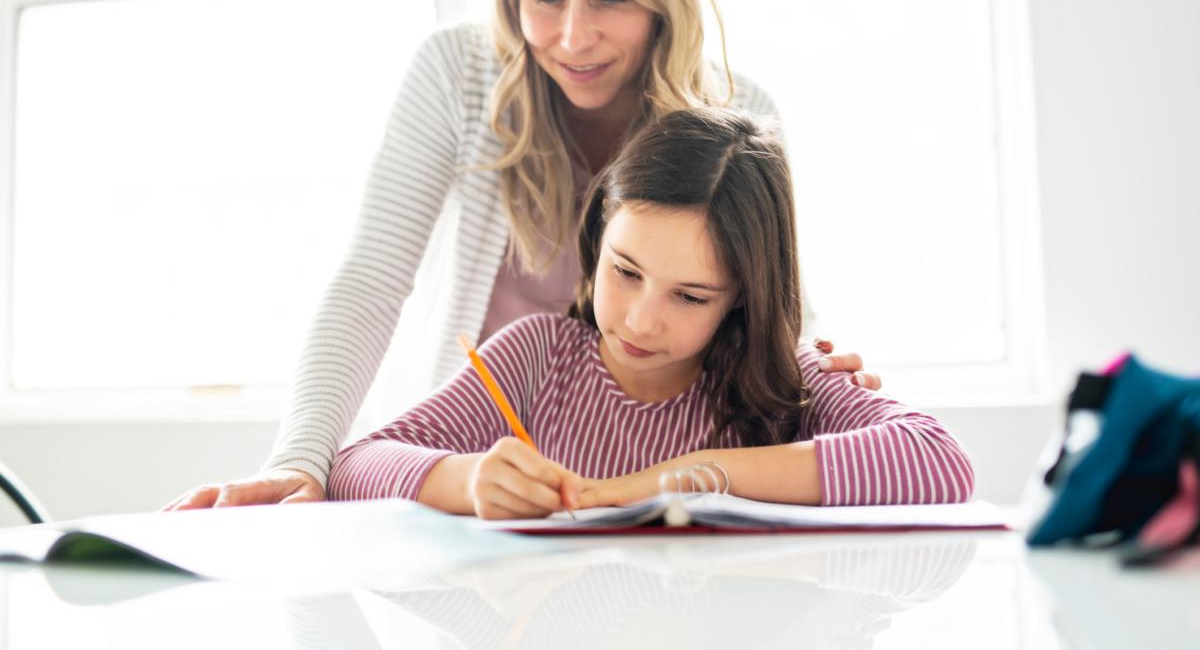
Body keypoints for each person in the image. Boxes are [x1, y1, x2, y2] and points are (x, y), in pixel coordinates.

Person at [165, 0, 879, 512]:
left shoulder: (739, 115)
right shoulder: (458, 73)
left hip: (644, 474)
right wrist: (303, 459)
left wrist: (819, 379)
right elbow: (372, 281)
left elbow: (771, 304)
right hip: (465, 470)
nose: (573, 37)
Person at [328, 109, 974, 517]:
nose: (639, 321)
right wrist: (467, 481)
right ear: (599, 235)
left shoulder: (791, 384)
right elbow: (356, 466)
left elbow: (940, 462)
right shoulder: (536, 356)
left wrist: (661, 485)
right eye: (625, 272)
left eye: (690, 297)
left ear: (745, 292)